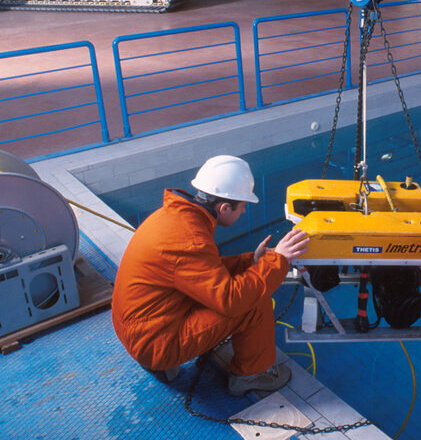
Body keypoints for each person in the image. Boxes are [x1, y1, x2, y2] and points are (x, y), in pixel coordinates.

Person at [112, 155, 309, 396]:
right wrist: (279, 259)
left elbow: (201, 271)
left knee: (246, 286)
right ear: (224, 208)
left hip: (140, 327)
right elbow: (233, 300)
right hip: (154, 343)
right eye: (243, 206)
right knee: (253, 301)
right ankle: (251, 375)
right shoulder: (190, 239)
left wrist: (251, 261)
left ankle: (163, 364)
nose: (244, 211)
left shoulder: (172, 217)